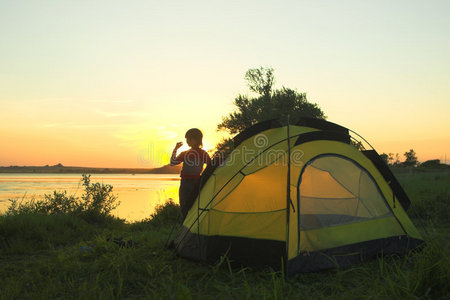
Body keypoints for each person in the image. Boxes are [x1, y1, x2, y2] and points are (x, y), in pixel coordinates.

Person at [170, 128, 211, 219]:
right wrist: (175, 149)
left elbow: (211, 166)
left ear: (196, 140)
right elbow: (172, 163)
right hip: (185, 182)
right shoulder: (185, 153)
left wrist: (203, 177)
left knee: (193, 205)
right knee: (184, 205)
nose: (187, 141)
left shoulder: (202, 153)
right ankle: (186, 225)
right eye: (186, 139)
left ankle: (191, 225)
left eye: (189, 139)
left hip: (196, 183)